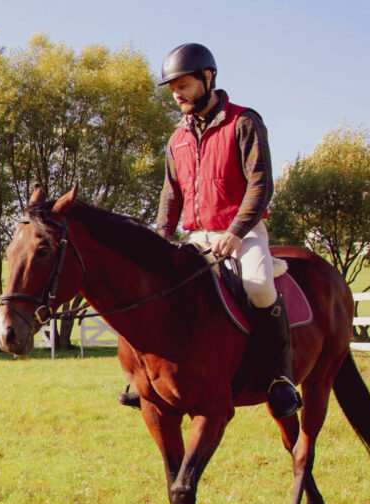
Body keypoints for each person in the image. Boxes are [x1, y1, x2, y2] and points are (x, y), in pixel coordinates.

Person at [119, 43, 299, 418]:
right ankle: (146, 378)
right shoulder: (177, 137)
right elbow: (171, 193)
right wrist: (160, 238)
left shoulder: (244, 122)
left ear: (207, 78)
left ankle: (280, 378)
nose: (177, 94)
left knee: (259, 285)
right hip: (195, 237)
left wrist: (236, 231)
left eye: (182, 85)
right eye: (172, 89)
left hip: (242, 233)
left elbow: (260, 184)